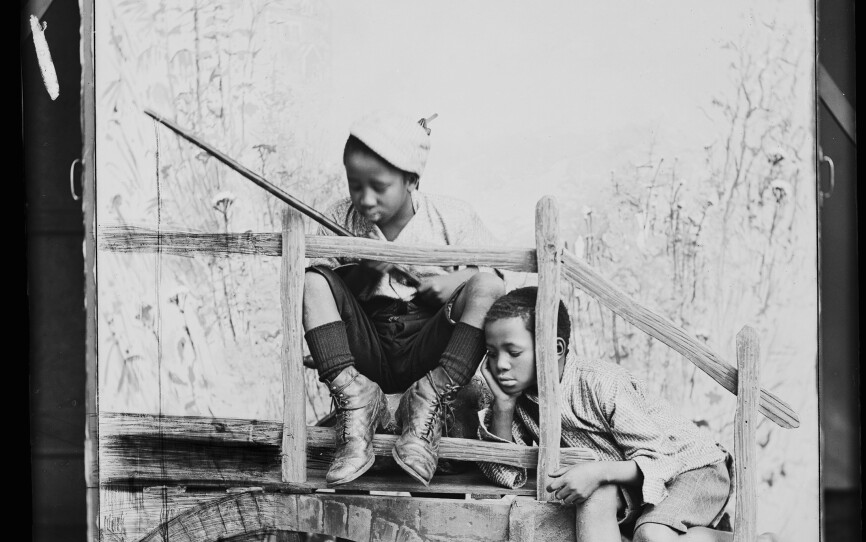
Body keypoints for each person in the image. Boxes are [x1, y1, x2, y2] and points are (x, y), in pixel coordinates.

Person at [476, 287, 779, 542]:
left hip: (691, 467)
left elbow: (661, 459)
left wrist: (596, 471)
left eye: (512, 352)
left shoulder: (600, 382)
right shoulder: (521, 401)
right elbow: (506, 476)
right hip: (636, 484)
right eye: (491, 353)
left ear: (555, 348)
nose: (500, 364)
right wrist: (503, 406)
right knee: (602, 501)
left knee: (651, 534)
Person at [303, 110, 505, 487]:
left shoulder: (452, 217)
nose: (364, 198)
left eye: (378, 186)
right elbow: (325, 290)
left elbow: (497, 277)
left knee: (487, 286)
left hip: (428, 351)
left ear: (412, 179)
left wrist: (459, 278)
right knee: (313, 281)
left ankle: (430, 398)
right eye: (354, 184)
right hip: (368, 349)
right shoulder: (338, 217)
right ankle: (356, 398)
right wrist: (365, 270)